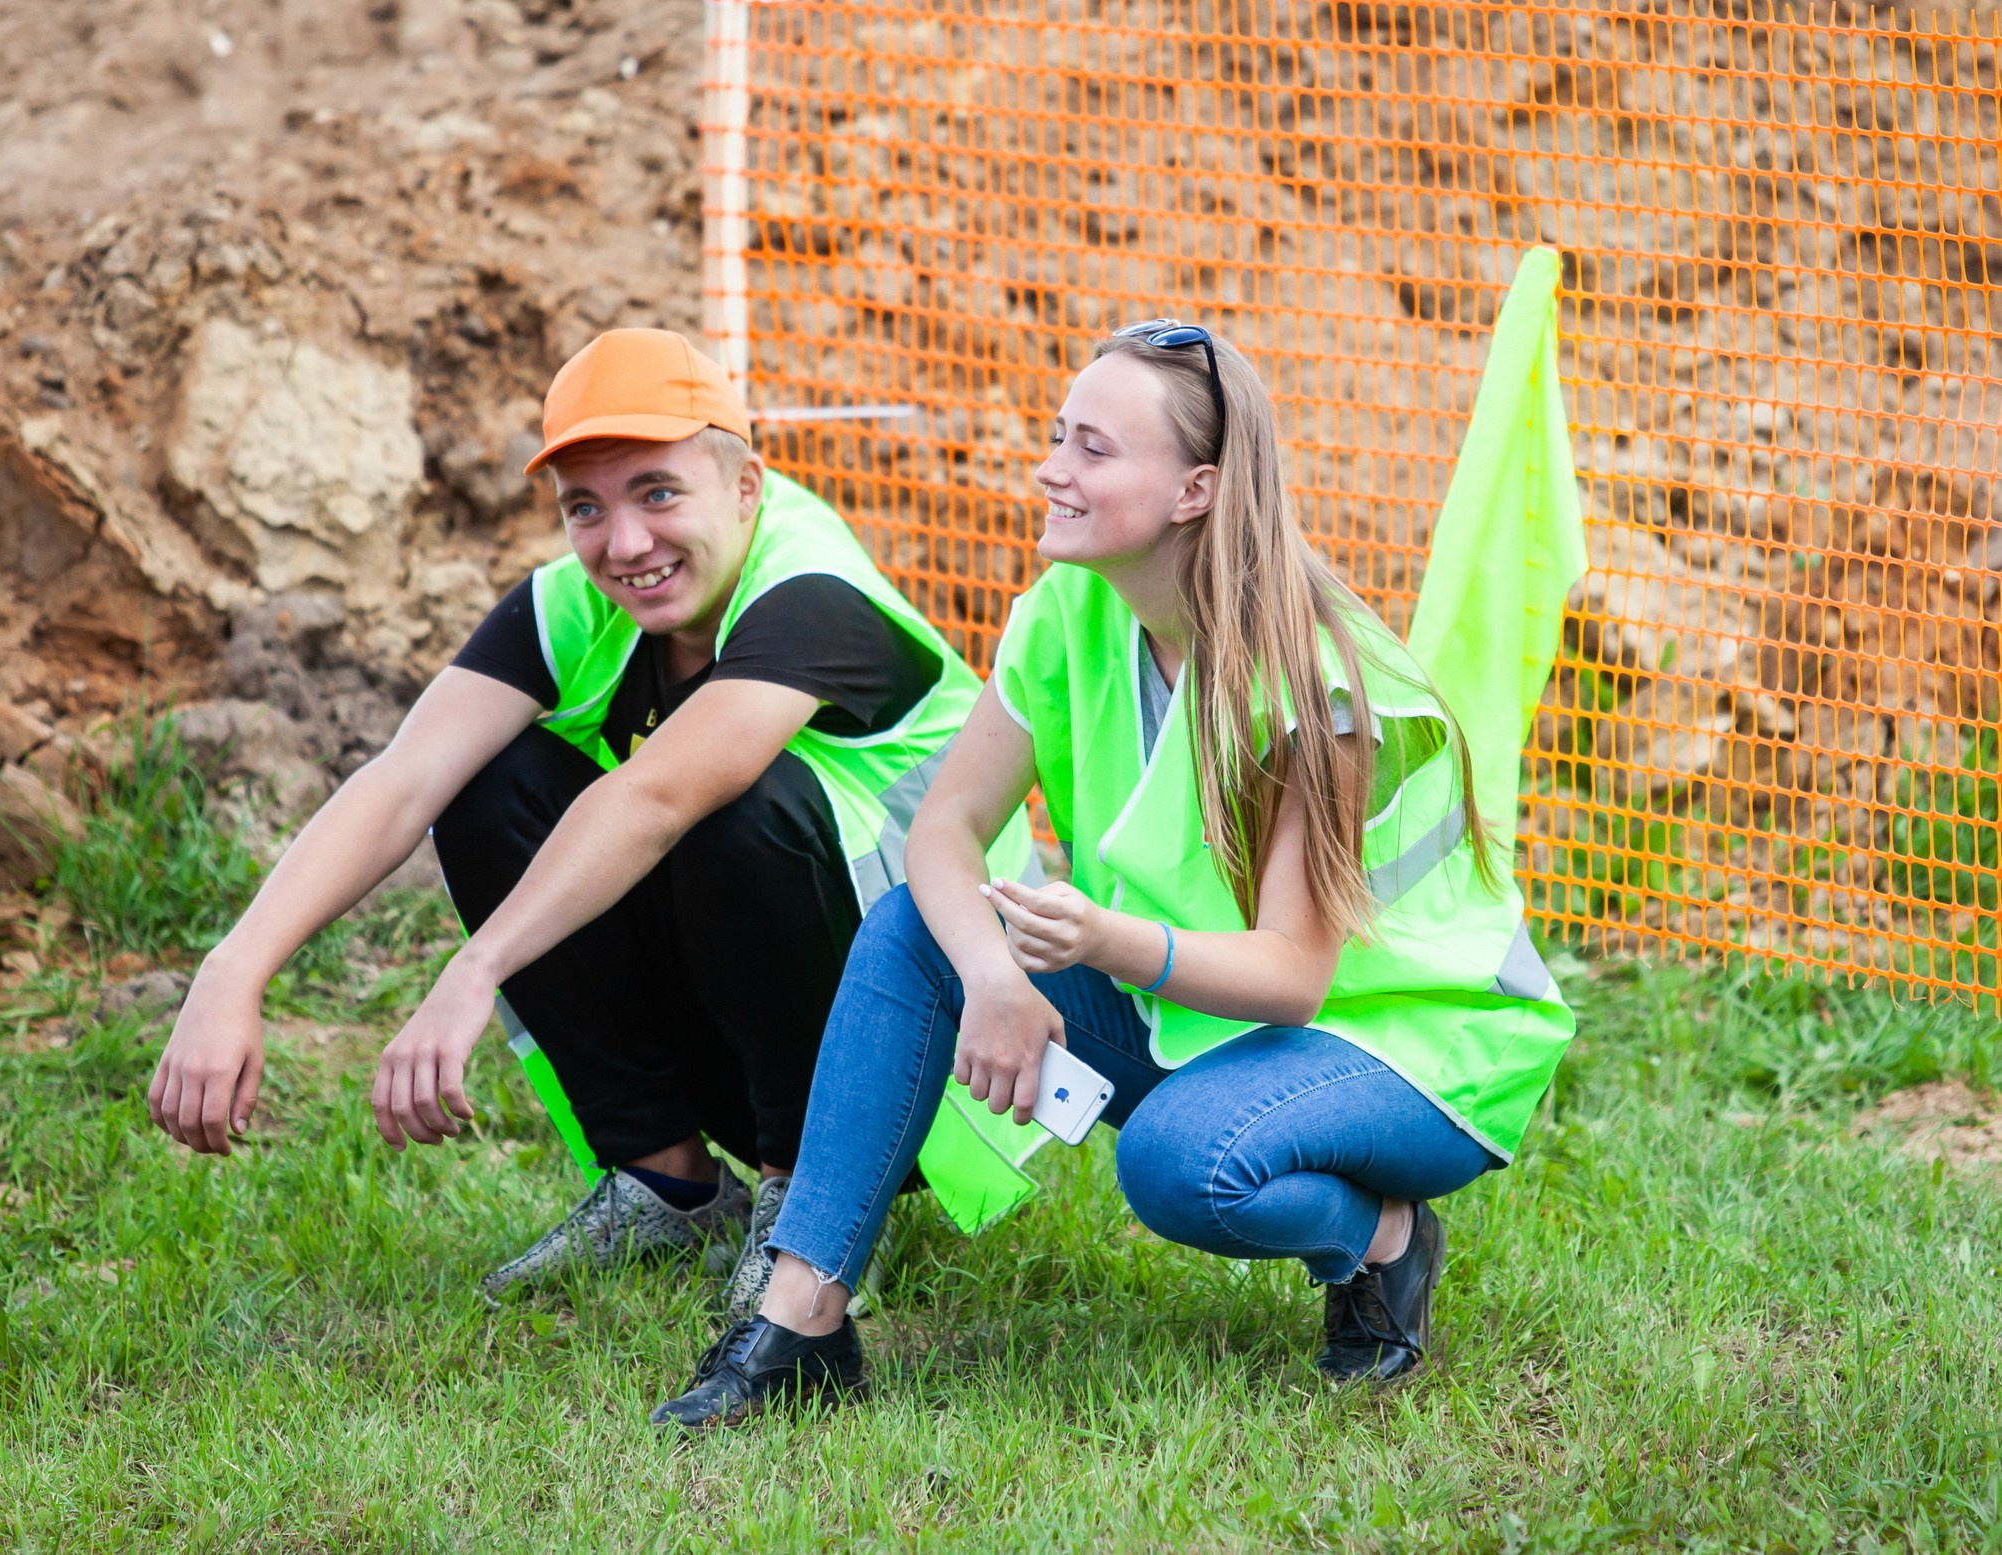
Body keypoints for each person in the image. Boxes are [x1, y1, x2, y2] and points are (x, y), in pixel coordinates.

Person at [651, 319, 1577, 1429]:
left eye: (1092, 447)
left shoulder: (1320, 687)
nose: (1050, 468)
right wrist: (994, 979)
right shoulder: (1068, 612)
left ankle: (1381, 1235)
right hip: (1198, 1008)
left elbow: (1293, 976)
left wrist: (1096, 943)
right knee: (913, 933)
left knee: (1181, 1162)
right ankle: (803, 1319)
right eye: (1056, 436)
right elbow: (945, 828)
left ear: (1194, 489)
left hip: (1416, 1041)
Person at [148, 327, 1007, 1308]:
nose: (624, 543)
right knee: (486, 783)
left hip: (930, 1054)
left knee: (739, 806)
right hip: (752, 1009)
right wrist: (235, 966)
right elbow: (401, 781)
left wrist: (474, 968)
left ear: (744, 485)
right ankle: (668, 1181)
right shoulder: (572, 604)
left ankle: (815, 1207)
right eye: (584, 508)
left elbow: (658, 797)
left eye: (657, 492)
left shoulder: (810, 591)